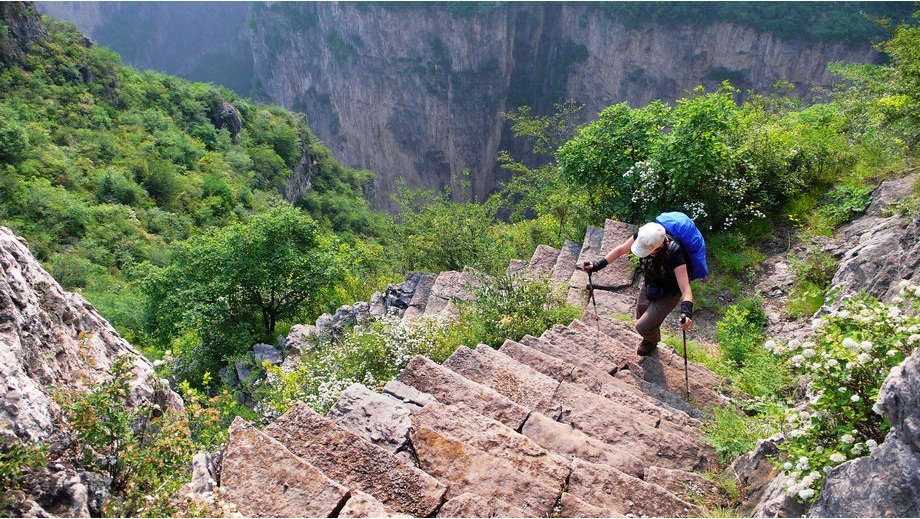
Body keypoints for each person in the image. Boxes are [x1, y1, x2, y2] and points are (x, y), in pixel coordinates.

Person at [581, 221, 694, 356]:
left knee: (642, 326)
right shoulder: (643, 236)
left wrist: (686, 313)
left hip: (669, 293)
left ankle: (650, 339)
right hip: (650, 281)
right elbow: (621, 249)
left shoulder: (675, 254)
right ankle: (650, 339)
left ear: (659, 246)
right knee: (641, 311)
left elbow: (685, 289)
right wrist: (597, 265)